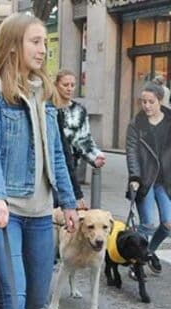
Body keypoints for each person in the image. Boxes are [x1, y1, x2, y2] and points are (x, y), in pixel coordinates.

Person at [0, 13, 78, 309]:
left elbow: (56, 153)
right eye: (35, 41)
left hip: (42, 212)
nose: (43, 49)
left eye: (45, 43)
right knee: (13, 296)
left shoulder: (44, 92)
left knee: (36, 300)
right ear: (14, 46)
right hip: (9, 210)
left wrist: (69, 201)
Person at [126, 82, 171, 275]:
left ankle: (149, 252)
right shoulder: (137, 124)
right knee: (147, 224)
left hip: (167, 179)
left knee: (168, 224)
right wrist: (134, 176)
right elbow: (132, 152)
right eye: (143, 102)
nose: (146, 106)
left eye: (151, 101)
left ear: (160, 101)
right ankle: (137, 262)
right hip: (145, 179)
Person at [54, 69, 106, 209]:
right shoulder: (49, 107)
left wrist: (94, 156)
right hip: (51, 162)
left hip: (70, 162)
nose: (69, 88)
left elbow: (83, 138)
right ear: (56, 85)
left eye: (72, 85)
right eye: (65, 85)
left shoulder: (79, 109)